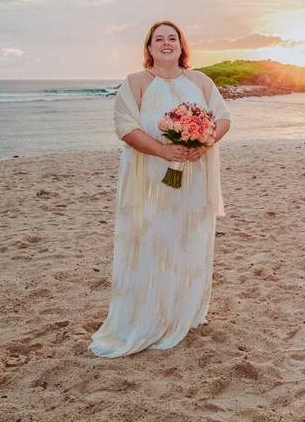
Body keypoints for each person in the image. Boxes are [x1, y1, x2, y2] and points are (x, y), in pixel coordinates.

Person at [88, 20, 231, 357]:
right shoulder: (136, 82)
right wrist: (164, 150)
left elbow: (223, 117)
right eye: (159, 39)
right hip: (150, 179)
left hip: (193, 178)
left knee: (188, 242)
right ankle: (148, 316)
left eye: (172, 38)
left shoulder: (201, 81)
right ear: (149, 48)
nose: (166, 43)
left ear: (182, 46)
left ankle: (184, 312)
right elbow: (125, 126)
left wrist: (205, 140)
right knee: (152, 242)